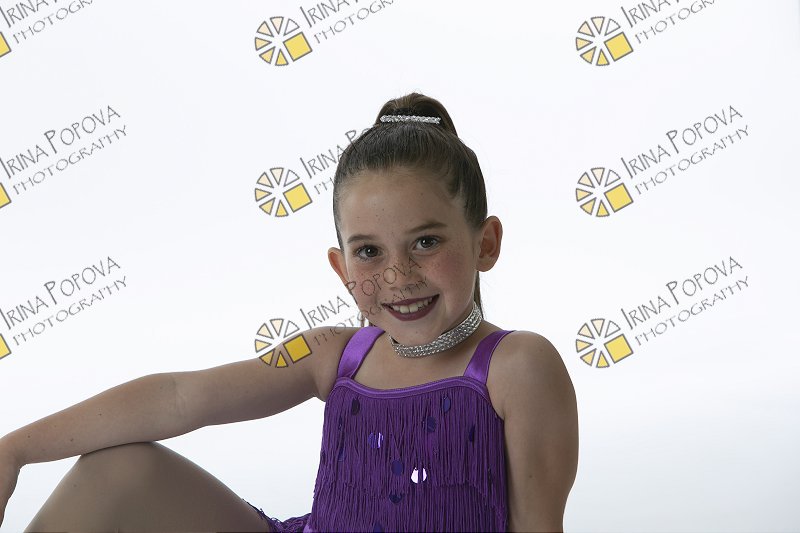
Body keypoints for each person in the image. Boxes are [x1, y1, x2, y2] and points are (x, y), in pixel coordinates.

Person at [0, 92, 578, 532]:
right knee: (116, 470)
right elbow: (180, 397)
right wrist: (15, 449)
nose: (397, 275)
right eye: (369, 252)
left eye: (426, 242)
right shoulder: (334, 355)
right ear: (340, 266)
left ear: (485, 243)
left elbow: (536, 524)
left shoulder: (514, 366)